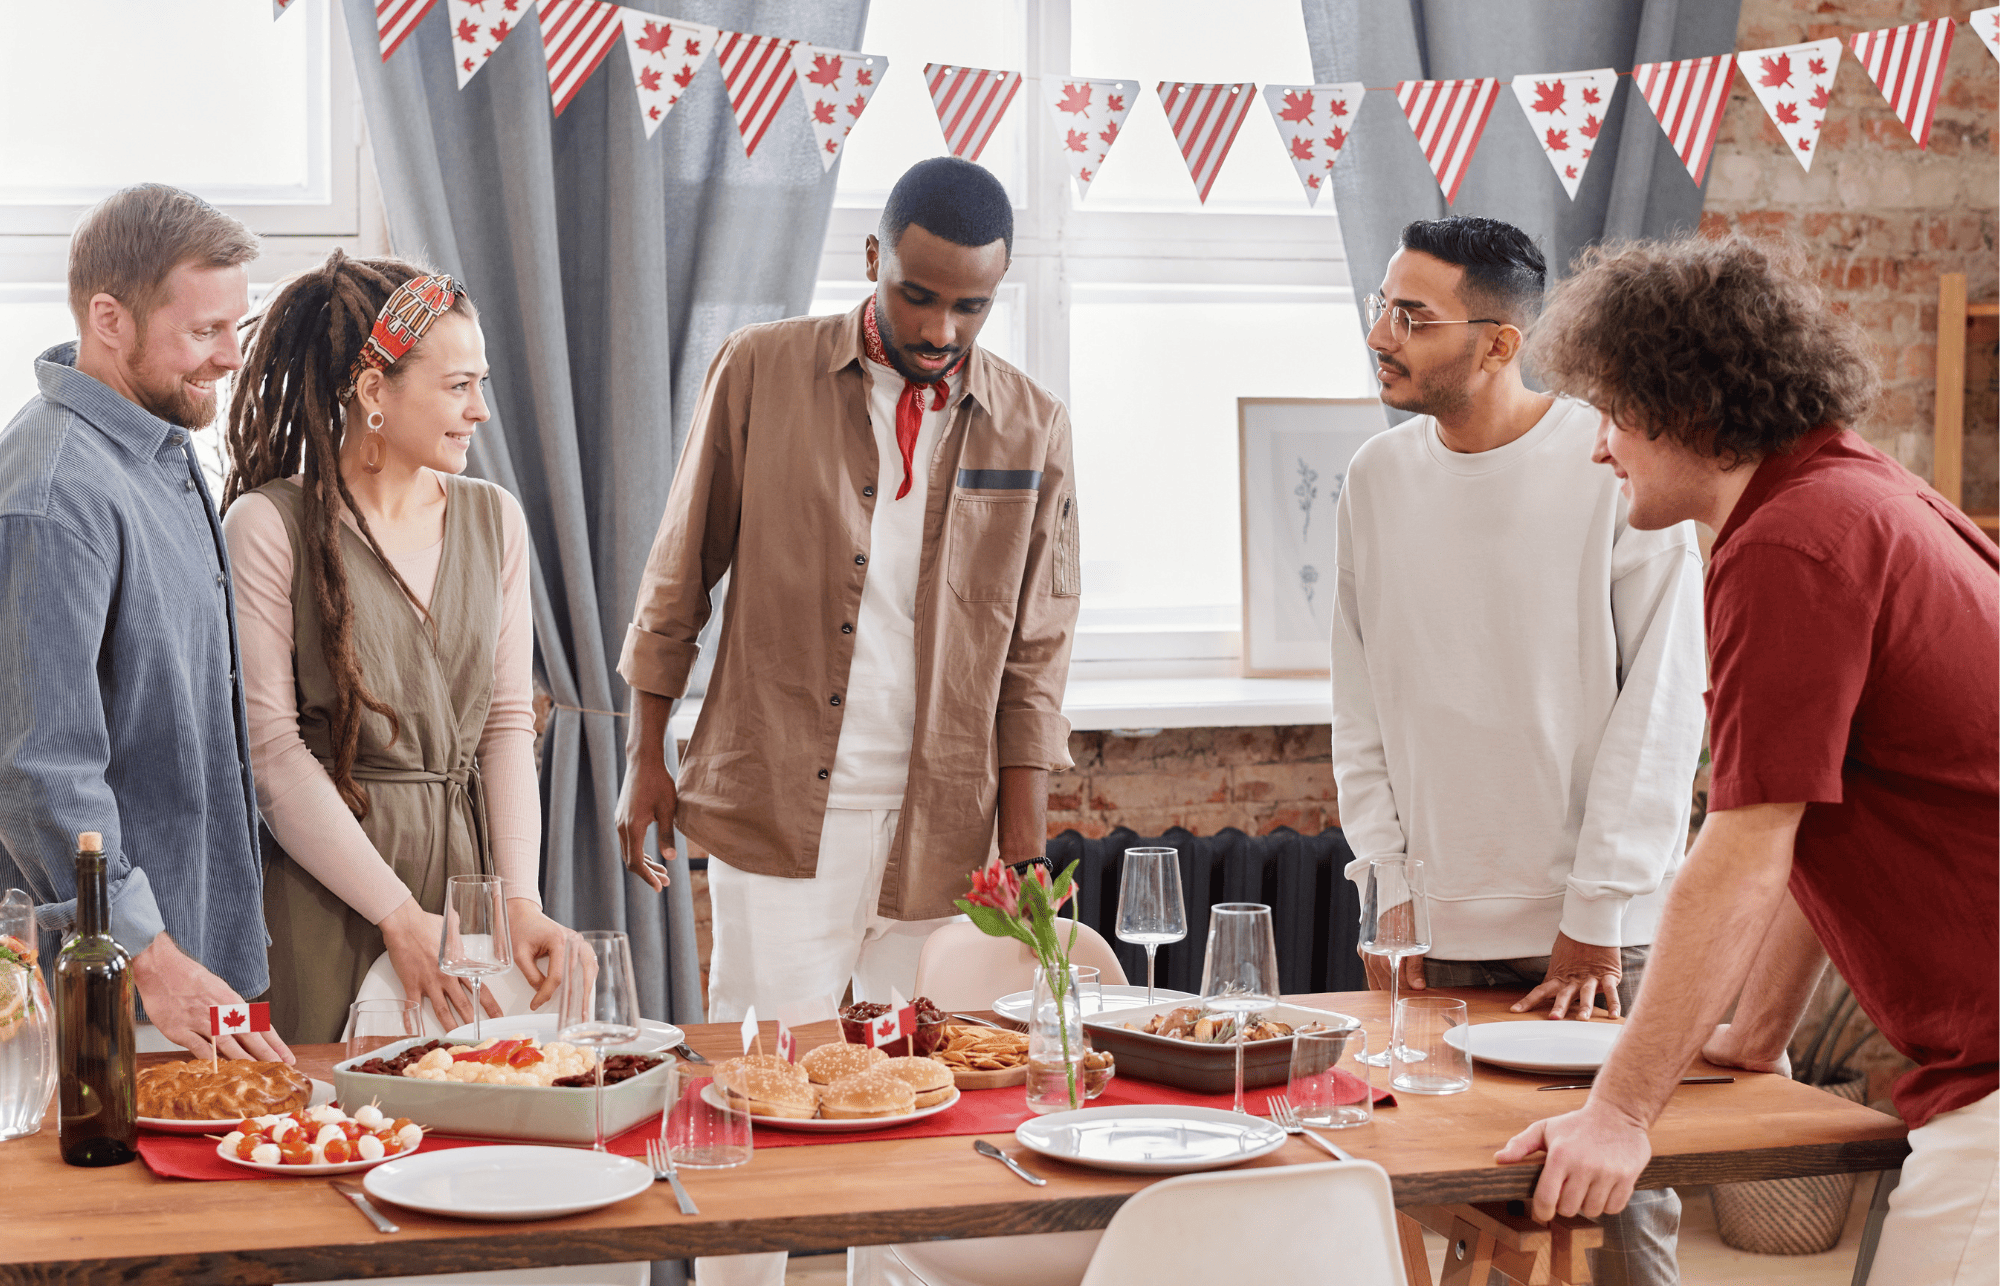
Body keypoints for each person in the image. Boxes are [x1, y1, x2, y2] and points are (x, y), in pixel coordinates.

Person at [615, 156, 1078, 1286]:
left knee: (902, 1090)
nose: (940, 324)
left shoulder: (1031, 422)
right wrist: (644, 754)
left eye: (970, 303)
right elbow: (679, 575)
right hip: (776, 794)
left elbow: (1035, 655)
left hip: (938, 816)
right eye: (919, 293)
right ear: (873, 259)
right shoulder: (759, 371)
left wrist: (1021, 846)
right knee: (763, 1076)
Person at [1498, 237, 1997, 1285]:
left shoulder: (1788, 543)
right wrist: (1752, 1033)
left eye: (1615, 412)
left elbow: (1742, 849)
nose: (1601, 447)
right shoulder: (1856, 497)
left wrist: (1619, 1111)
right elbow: (1816, 823)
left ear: (1688, 407)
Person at [1332, 217, 1706, 1286]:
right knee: (1469, 1229)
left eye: (1413, 315)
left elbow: (1663, 705)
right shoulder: (1375, 476)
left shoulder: (1612, 459)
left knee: (1614, 1235)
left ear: (1498, 344)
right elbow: (1358, 703)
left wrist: (1594, 915)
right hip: (1435, 927)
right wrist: (1386, 889)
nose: (1381, 333)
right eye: (1381, 304)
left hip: (1590, 942)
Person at [219, 253, 570, 1045]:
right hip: (328, 893)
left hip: (465, 888)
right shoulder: (267, 527)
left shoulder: (495, 519)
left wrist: (520, 903)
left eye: (482, 383)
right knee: (333, 1132)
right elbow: (272, 753)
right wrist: (397, 917)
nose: (481, 410)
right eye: (458, 386)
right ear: (374, 391)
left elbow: (509, 722)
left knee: (476, 1114)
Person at [0, 184, 289, 1063]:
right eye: (202, 332)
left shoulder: (160, 448)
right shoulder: (55, 492)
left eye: (234, 329)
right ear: (108, 318)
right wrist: (149, 958)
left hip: (199, 960)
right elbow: (41, 766)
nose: (229, 359)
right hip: (109, 987)